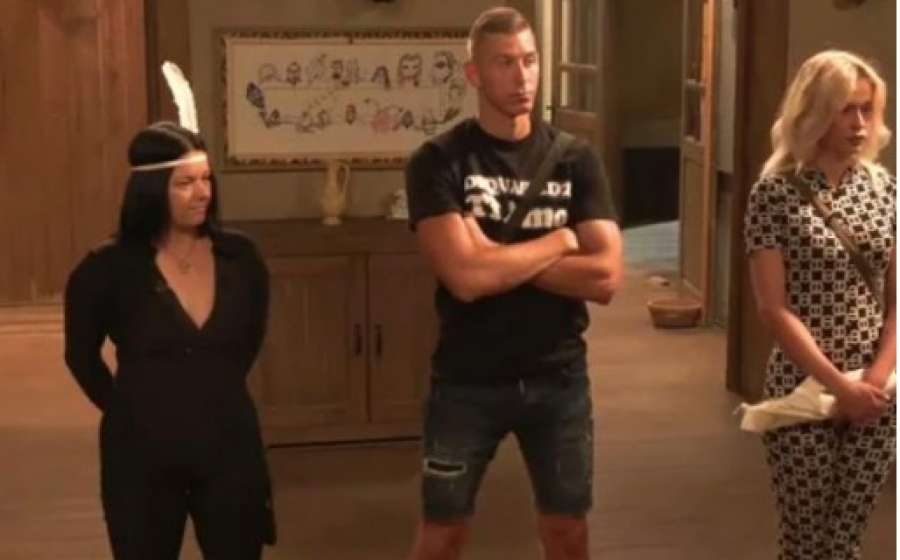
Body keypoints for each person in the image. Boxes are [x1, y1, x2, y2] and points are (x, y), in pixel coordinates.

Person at [404, 7, 623, 560]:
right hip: (467, 377)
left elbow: (606, 276)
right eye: (504, 63)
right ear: (474, 73)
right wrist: (559, 241)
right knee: (443, 531)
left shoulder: (575, 159)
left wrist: (492, 254)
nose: (522, 77)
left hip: (558, 375)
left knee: (567, 528)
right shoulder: (439, 160)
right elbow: (465, 279)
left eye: (529, 61)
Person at [63, 121, 276, 559]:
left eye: (206, 179)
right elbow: (80, 355)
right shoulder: (106, 269)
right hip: (142, 454)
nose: (202, 193)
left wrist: (210, 388)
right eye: (184, 183)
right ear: (150, 190)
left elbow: (249, 339)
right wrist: (127, 409)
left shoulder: (241, 258)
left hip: (229, 445)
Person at [744, 50, 896, 559]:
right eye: (845, 109)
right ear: (814, 113)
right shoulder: (774, 194)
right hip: (803, 384)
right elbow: (773, 309)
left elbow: (897, 300)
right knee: (806, 540)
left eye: (867, 109)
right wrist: (838, 386)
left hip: (874, 388)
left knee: (847, 540)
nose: (859, 123)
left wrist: (875, 380)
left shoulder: (884, 190)